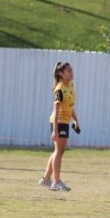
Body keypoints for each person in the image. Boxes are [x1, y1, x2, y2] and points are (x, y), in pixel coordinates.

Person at [38, 62, 79, 191]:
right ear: (61, 74)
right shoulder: (59, 89)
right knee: (59, 152)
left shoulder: (70, 86)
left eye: (71, 70)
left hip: (65, 122)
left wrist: (76, 120)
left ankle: (46, 179)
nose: (72, 73)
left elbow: (70, 105)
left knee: (58, 151)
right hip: (58, 121)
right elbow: (56, 111)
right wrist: (54, 131)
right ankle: (56, 182)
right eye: (68, 71)